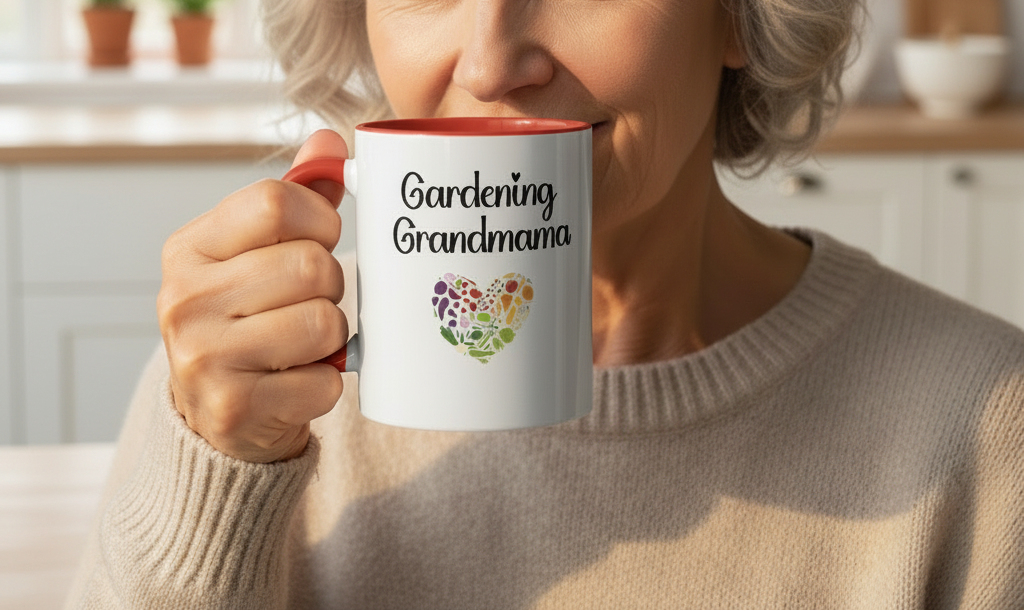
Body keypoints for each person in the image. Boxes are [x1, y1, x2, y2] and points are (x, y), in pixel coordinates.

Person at [68, 0, 1024, 607]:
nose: (491, 64)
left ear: (738, 16)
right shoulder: (251, 375)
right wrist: (219, 471)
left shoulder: (982, 425)